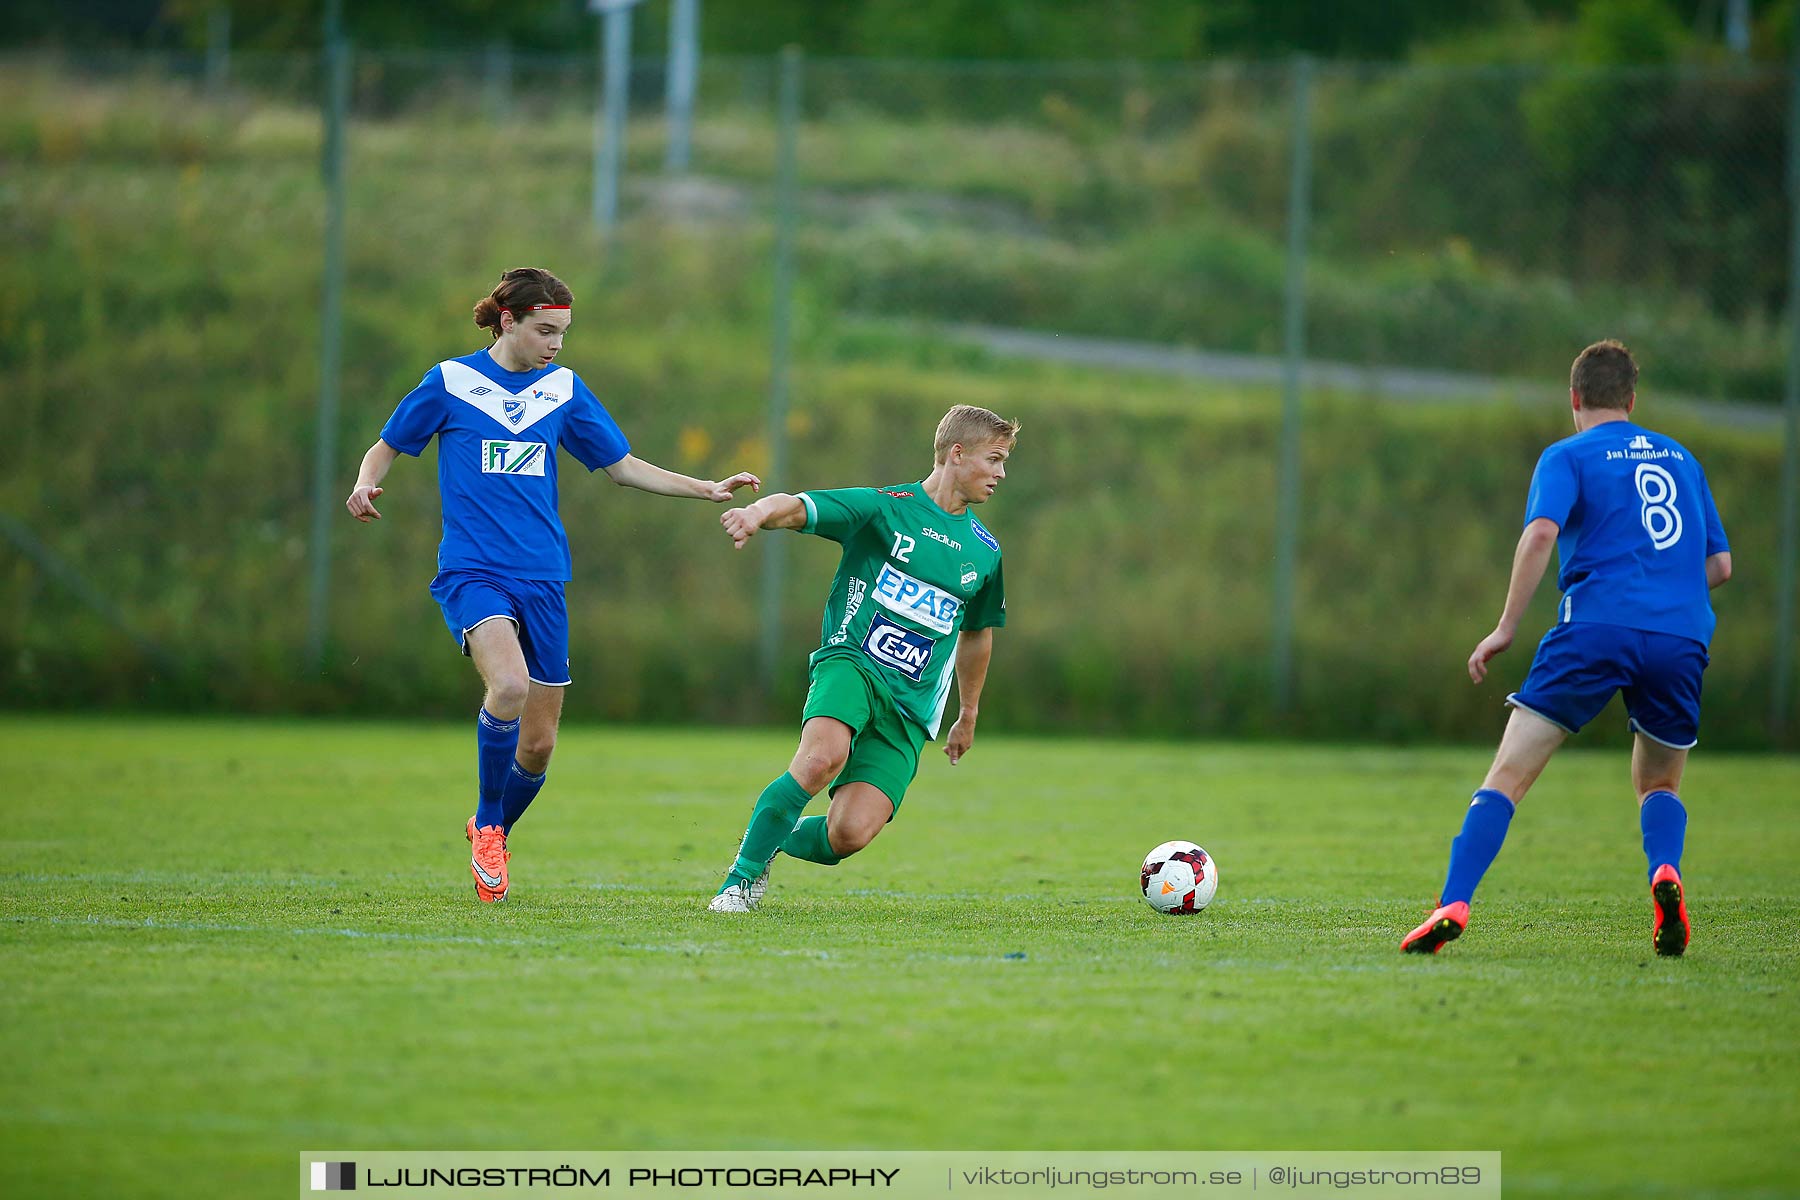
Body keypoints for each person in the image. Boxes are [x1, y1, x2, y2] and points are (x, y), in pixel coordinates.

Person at [345, 267, 760, 903]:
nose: (556, 344)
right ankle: (486, 822)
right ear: (508, 321)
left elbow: (621, 466)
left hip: (544, 578)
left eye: (563, 333)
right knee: (507, 685)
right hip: (473, 570)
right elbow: (388, 444)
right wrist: (365, 481)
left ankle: (494, 833)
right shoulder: (451, 382)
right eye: (545, 330)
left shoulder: (563, 390)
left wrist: (702, 488)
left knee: (537, 748)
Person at [1402, 340, 1731, 956]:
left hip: (1595, 627)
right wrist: (1662, 590)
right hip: (1681, 635)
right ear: (1631, 399)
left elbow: (1541, 534)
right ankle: (1665, 871)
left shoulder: (1567, 455)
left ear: (1575, 398)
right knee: (1659, 784)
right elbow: (1720, 564)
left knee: (1507, 777)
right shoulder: (1683, 460)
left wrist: (1504, 627)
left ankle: (1452, 901)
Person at [705, 404, 1019, 912]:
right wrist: (757, 514)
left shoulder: (984, 551)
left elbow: (978, 633)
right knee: (820, 760)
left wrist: (969, 712)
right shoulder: (885, 508)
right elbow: (801, 507)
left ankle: (766, 839)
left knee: (847, 835)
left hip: (911, 709)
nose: (1002, 474)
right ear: (957, 455)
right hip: (851, 663)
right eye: (996, 459)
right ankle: (738, 885)